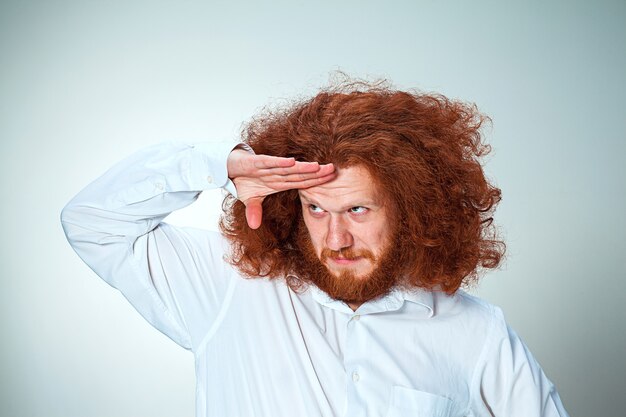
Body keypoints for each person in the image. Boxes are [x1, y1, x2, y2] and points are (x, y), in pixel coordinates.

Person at [61, 81, 569, 417]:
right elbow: (91, 221)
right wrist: (222, 165)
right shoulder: (225, 288)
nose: (335, 239)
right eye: (316, 210)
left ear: (413, 212)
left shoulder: (475, 333)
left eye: (358, 211)